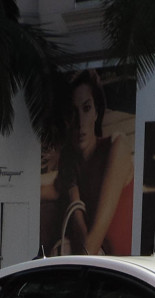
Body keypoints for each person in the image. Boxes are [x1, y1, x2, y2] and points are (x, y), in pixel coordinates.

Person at [50, 70, 133, 256]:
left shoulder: (117, 147)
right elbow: (52, 188)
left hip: (125, 273)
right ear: (65, 120)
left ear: (97, 111)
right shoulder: (71, 163)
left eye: (86, 108)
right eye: (73, 112)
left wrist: (73, 194)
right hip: (101, 268)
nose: (80, 122)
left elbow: (88, 249)